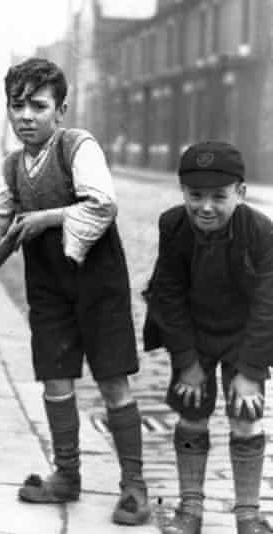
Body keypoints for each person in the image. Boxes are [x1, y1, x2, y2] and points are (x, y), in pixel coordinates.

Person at [0, 58, 149, 525]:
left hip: (97, 279)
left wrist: (47, 218)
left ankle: (134, 486)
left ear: (61, 110)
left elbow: (103, 202)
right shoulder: (14, 167)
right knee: (55, 376)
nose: (26, 116)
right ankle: (67, 475)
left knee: (112, 377)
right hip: (48, 282)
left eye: (38, 105)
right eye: (17, 106)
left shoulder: (77, 147)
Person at [145, 142, 273, 534]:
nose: (205, 207)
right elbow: (167, 295)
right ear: (182, 192)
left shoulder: (261, 232)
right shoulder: (174, 227)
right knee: (191, 410)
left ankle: (248, 514)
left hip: (244, 335)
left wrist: (251, 369)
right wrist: (187, 363)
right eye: (195, 195)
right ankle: (190, 509)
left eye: (219, 197)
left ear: (241, 193)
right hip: (195, 331)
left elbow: (268, 305)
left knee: (245, 417)